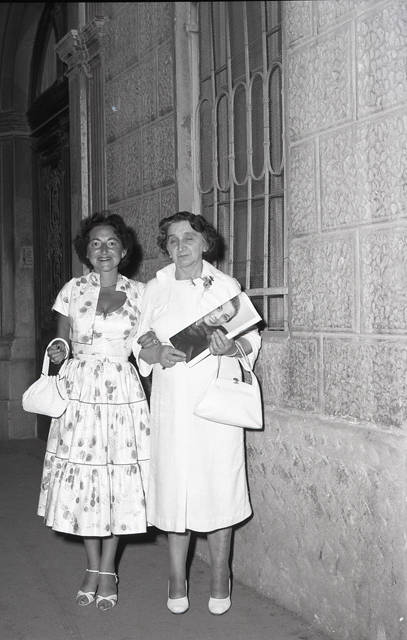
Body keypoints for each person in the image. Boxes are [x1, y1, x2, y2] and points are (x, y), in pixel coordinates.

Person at [134, 211, 261, 616]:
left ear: (205, 243)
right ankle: (176, 577)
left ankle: (221, 574)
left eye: (189, 238)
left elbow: (251, 339)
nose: (181, 246)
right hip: (172, 401)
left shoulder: (226, 286)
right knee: (175, 487)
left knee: (218, 483)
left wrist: (233, 347)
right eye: (172, 240)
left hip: (215, 401)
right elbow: (139, 340)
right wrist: (155, 352)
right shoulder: (155, 288)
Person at [37, 211, 149, 611]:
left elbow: (147, 344)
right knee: (86, 479)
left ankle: (108, 569)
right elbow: (62, 340)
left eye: (112, 243)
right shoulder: (72, 290)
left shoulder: (141, 294)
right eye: (95, 244)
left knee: (115, 478)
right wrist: (58, 350)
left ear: (124, 251)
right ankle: (91, 566)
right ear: (86, 253)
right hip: (80, 391)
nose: (104, 250)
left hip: (121, 392)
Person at [170, 296, 240, 363]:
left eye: (225, 317)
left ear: (226, 321)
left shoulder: (220, 337)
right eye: (218, 308)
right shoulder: (185, 307)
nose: (217, 316)